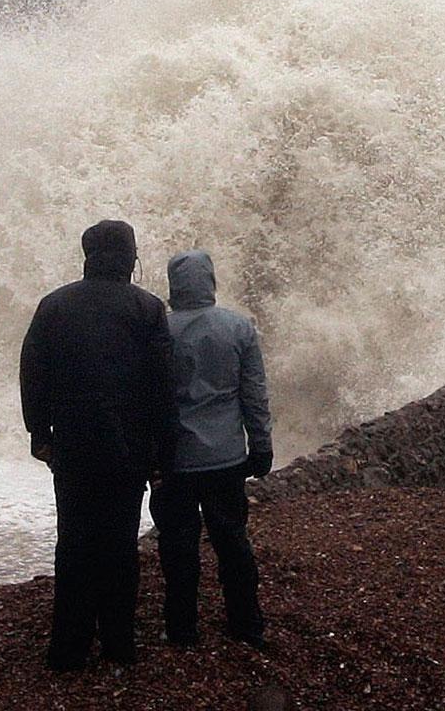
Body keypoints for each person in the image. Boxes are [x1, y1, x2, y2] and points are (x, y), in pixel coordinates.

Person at [19, 219, 174, 672]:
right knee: (119, 545)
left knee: (73, 543)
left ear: (87, 256)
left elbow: (33, 372)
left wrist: (39, 433)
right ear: (130, 257)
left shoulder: (54, 306)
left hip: (71, 445)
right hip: (129, 448)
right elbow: (162, 386)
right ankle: (118, 645)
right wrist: (164, 453)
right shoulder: (147, 309)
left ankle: (67, 648)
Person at [153, 248, 273, 650]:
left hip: (176, 462)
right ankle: (246, 622)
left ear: (173, 285)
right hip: (226, 457)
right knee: (233, 542)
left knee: (178, 547)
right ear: (211, 282)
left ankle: (182, 628)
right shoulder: (238, 328)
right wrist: (261, 445)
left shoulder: (159, 332)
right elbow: (253, 395)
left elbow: (148, 400)